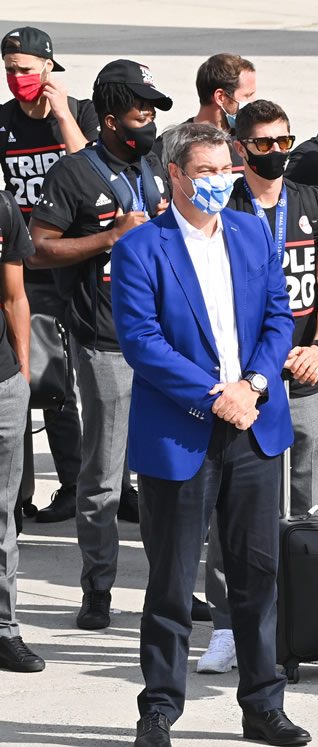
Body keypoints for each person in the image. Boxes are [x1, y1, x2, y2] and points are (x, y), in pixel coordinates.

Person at [111, 121, 309, 747]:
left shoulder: (252, 233)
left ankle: (262, 706)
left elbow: (281, 317)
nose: (223, 182)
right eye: (208, 173)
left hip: (253, 425)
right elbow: (142, 344)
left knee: (257, 576)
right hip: (183, 432)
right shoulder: (142, 248)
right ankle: (161, 708)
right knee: (171, 580)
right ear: (174, 175)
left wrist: (251, 384)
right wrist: (213, 396)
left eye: (228, 171)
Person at [192, 100, 318, 675]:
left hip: (302, 372)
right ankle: (230, 627)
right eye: (263, 143)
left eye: (285, 140)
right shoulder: (222, 205)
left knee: (309, 503)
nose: (277, 152)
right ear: (239, 145)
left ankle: (305, 620)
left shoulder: (312, 200)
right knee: (232, 512)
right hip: (242, 384)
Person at [28, 59, 173, 630]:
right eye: (141, 111)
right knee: (105, 476)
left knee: (170, 475)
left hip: (168, 347)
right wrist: (111, 237)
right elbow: (38, 248)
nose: (149, 122)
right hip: (106, 343)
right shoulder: (74, 174)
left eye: (154, 112)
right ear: (110, 119)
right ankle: (99, 588)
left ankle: (174, 588)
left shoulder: (159, 167)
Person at [1, 26, 96, 522]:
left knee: (77, 382)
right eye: (10, 70)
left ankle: (79, 484)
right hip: (28, 264)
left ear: (48, 67)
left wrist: (62, 117)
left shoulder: (79, 112)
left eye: (26, 69)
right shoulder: (2, 122)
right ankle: (18, 496)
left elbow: (91, 172)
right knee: (34, 377)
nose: (18, 78)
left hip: (76, 261)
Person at [0, 187, 42, 673]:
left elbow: (14, 295)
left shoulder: (3, 206)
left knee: (3, 518)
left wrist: (22, 377)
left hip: (4, 385)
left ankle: (4, 628)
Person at [160, 53, 255, 174]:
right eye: (248, 95)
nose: (253, 102)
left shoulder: (252, 141)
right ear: (220, 97)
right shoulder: (172, 144)